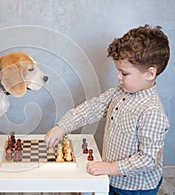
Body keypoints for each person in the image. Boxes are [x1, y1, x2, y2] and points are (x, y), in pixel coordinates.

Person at [44, 24, 170, 194]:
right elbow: (91, 108)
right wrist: (62, 127)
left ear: (150, 74)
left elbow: (148, 159)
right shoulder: (119, 92)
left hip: (136, 187)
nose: (118, 76)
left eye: (124, 73)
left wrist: (110, 168)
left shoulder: (152, 112)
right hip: (112, 176)